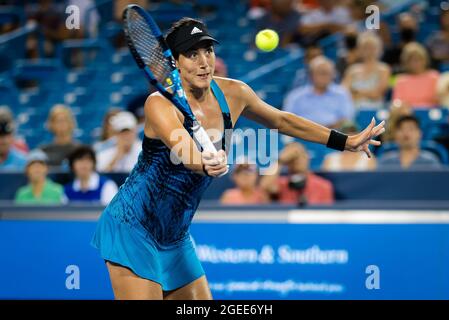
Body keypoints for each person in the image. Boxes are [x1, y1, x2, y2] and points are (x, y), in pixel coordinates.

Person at [91, 17, 385, 300]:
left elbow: (283, 121)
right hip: (133, 226)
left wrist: (344, 141)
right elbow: (183, 149)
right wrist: (205, 162)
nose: (204, 61)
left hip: (175, 236)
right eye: (192, 54)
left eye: (208, 50)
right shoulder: (159, 103)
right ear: (175, 62)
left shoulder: (234, 92)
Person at [283, 55, 354, 128]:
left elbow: (347, 119)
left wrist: (324, 131)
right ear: (311, 75)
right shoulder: (295, 96)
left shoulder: (342, 93)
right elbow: (287, 121)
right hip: (301, 135)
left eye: (327, 73)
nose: (324, 77)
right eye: (321, 73)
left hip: (334, 135)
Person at [260, 142, 335, 205]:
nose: (297, 160)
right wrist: (280, 161)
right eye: (293, 158)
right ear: (287, 162)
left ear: (307, 158)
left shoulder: (323, 186)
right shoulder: (282, 184)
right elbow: (264, 188)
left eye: (301, 155)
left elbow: (328, 214)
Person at [342, 32, 391, 110]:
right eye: (365, 47)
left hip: (375, 109)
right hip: (353, 109)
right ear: (359, 49)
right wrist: (367, 93)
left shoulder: (384, 69)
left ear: (379, 49)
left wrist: (355, 92)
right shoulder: (352, 70)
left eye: (371, 47)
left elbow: (377, 94)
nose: (368, 50)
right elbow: (343, 92)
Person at [392, 42, 440, 108]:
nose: (417, 63)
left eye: (419, 59)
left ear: (425, 60)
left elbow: (439, 99)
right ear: (406, 62)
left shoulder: (434, 76)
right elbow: (397, 103)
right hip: (408, 114)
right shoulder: (401, 79)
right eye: (413, 60)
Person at [39, 104, 80, 169]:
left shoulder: (80, 150)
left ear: (71, 123)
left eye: (64, 120)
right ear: (51, 124)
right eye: (58, 121)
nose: (62, 124)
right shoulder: (43, 151)